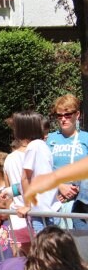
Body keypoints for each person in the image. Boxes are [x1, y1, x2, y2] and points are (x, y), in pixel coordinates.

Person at [13, 111, 60, 232]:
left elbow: (26, 177)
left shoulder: (33, 147)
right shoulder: (43, 145)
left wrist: (27, 206)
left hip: (40, 210)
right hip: (51, 208)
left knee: (43, 247)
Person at [46, 94, 88, 229]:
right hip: (55, 202)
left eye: (67, 115)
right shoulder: (49, 139)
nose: (63, 119)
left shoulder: (85, 138)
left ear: (78, 115)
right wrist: (60, 186)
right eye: (59, 116)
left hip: (82, 202)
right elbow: (41, 168)